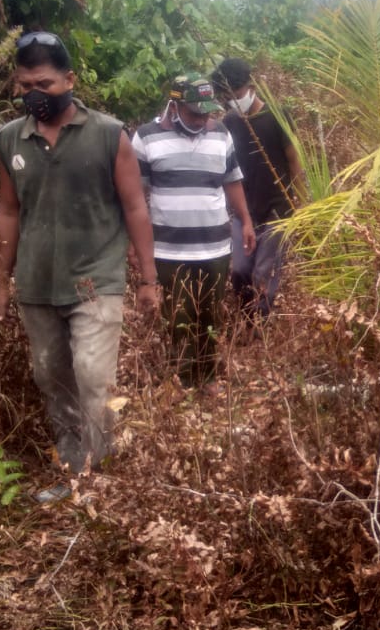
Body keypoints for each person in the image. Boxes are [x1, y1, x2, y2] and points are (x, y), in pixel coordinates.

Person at [0, 31, 161, 502]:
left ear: (69, 79)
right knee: (50, 373)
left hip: (94, 280)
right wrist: (0, 282)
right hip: (36, 281)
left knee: (92, 373)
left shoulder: (108, 134)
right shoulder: (9, 139)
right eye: (25, 84)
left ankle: (98, 473)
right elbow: (8, 210)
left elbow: (135, 208)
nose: (34, 94)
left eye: (44, 83)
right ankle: (71, 458)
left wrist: (148, 279)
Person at [131, 73, 256, 393]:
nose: (202, 119)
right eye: (194, 113)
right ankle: (182, 381)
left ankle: (209, 376)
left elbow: (232, 180)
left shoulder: (221, 134)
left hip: (215, 246)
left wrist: (246, 220)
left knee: (211, 315)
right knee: (178, 317)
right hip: (169, 250)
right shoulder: (145, 138)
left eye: (207, 113)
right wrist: (134, 245)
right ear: (175, 106)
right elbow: (135, 199)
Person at [210, 57, 307, 321]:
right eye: (226, 96)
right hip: (245, 211)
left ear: (250, 86)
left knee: (263, 273)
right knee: (240, 270)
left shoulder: (277, 115)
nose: (232, 100)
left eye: (236, 94)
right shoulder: (230, 122)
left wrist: (300, 202)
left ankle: (258, 328)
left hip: (277, 209)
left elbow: (293, 159)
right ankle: (245, 320)